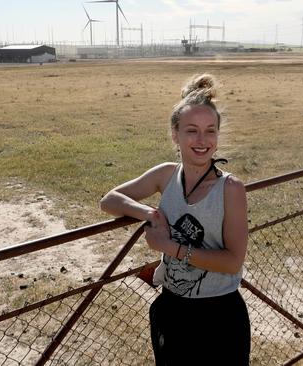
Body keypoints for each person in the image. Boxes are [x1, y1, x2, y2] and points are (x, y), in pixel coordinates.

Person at [100, 74, 250, 365]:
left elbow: (233, 262)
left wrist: (170, 247)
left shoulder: (230, 189)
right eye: (191, 130)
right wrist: (149, 213)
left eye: (210, 131)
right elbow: (110, 200)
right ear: (175, 135)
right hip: (172, 308)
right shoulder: (166, 175)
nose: (202, 141)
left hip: (219, 314)